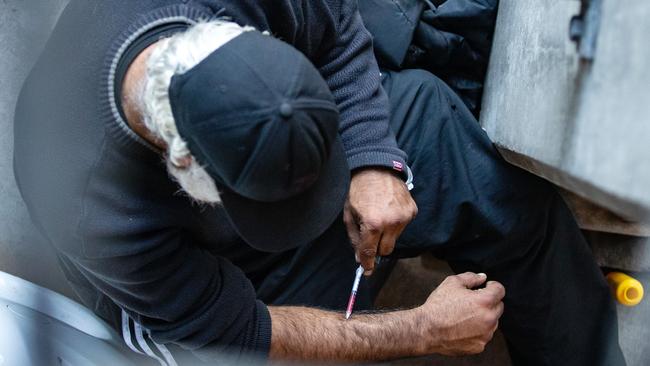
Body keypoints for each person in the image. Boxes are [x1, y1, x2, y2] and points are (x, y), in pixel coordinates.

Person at [13, 1, 624, 365]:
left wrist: (371, 159)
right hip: (215, 290)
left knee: (453, 144)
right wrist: (420, 331)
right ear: (183, 167)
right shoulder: (90, 203)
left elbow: (336, 31)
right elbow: (238, 331)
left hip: (297, 149)